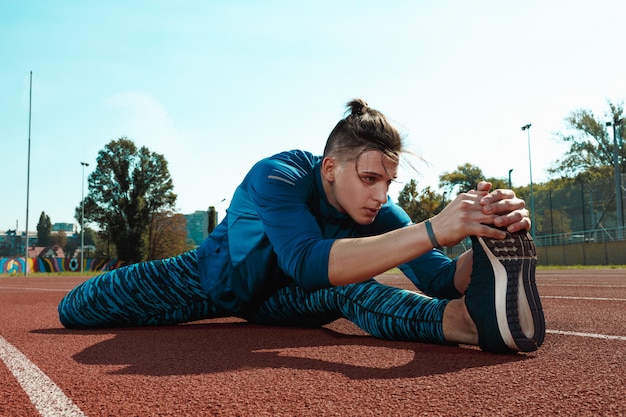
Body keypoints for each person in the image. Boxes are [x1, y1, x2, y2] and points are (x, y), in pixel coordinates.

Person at [58, 99, 545, 354]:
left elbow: (438, 279)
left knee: (347, 289)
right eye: (370, 178)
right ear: (331, 168)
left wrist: (485, 234)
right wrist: (435, 228)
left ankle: (464, 323)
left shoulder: (376, 210)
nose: (381, 194)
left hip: (281, 300)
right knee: (75, 308)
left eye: (389, 182)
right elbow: (305, 260)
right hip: (206, 282)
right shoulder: (279, 175)